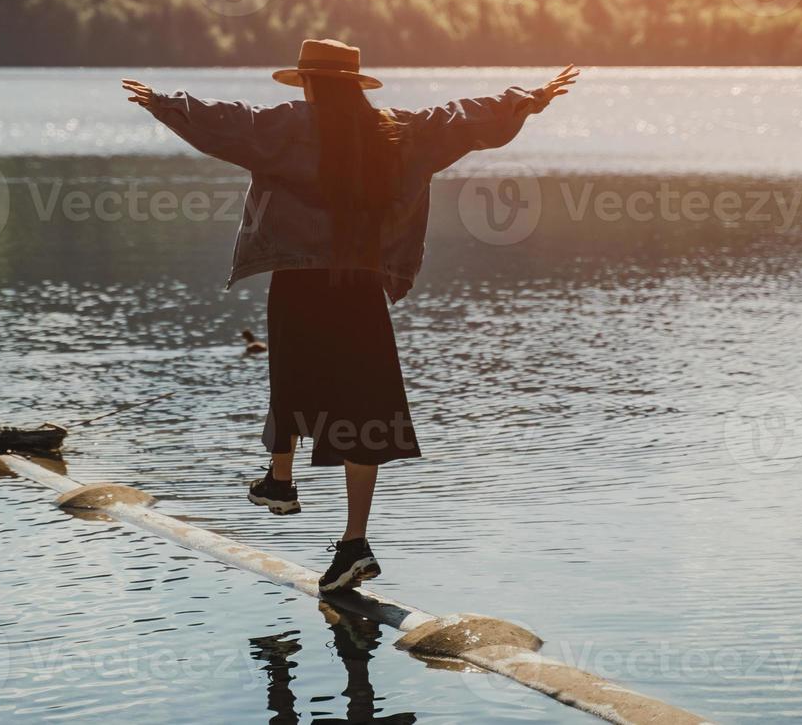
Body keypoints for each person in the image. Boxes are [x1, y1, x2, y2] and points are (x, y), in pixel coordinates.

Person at [123, 39, 580, 592]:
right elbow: (463, 119)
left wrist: (166, 103)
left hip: (300, 279)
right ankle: (353, 543)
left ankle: (282, 481)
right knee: (365, 410)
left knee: (291, 378)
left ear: (310, 83)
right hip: (362, 284)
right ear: (354, 84)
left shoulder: (287, 127)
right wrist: (527, 98)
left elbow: (229, 124)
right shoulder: (399, 130)